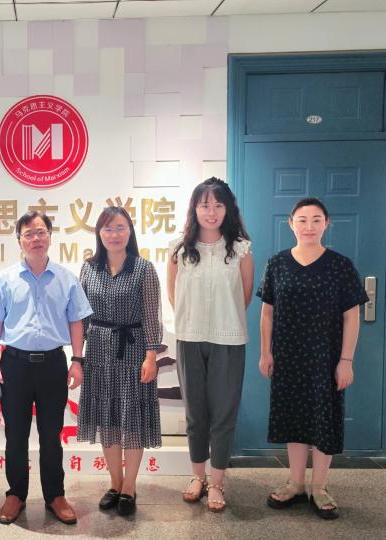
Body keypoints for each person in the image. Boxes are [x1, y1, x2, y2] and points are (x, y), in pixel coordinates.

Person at [257, 197, 367, 520]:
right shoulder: (277, 264)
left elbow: (352, 316)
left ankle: (319, 487)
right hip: (288, 356)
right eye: (302, 220)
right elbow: (267, 314)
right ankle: (295, 483)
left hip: (326, 358)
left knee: (323, 420)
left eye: (316, 220)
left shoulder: (340, 265)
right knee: (293, 418)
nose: (309, 226)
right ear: (291, 224)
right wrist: (266, 352)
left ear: (326, 224)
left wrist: (346, 360)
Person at [0, 211, 93, 526]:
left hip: (53, 365)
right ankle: (15, 494)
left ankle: (55, 495)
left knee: (50, 434)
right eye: (29, 233)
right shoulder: (5, 279)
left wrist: (77, 360)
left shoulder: (66, 278)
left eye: (41, 232)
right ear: (19, 240)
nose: (35, 238)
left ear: (50, 236)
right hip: (15, 365)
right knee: (15, 435)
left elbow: (76, 321)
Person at [166, 177, 254, 512]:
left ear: (228, 208)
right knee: (195, 413)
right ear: (194, 209)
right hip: (189, 339)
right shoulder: (179, 248)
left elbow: (244, 296)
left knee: (224, 413)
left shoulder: (241, 249)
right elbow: (173, 294)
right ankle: (197, 477)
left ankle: (217, 483)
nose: (211, 211)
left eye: (218, 204)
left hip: (228, 340)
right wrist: (194, 322)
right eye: (204, 205)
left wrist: (222, 320)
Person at [77, 206, 163, 516]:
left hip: (133, 351)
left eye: (120, 227)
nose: (114, 234)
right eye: (108, 228)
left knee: (132, 420)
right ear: (99, 233)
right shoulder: (89, 268)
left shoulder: (143, 268)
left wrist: (151, 355)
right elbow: (81, 317)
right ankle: (114, 483)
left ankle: (130, 486)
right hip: (98, 352)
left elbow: (151, 315)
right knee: (108, 420)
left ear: (130, 231)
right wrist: (77, 357)